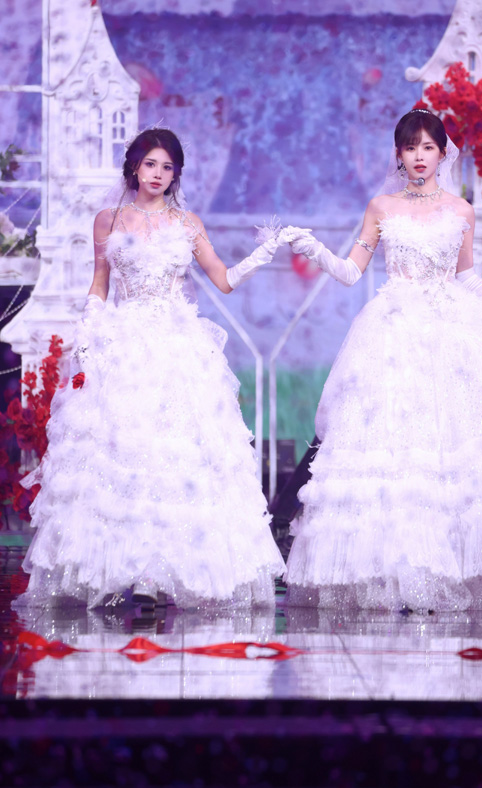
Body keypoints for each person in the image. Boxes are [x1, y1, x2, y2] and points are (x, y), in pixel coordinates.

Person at [283, 108, 482, 612]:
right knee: (392, 451)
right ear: (399, 154)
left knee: (449, 453)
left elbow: (466, 278)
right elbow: (350, 271)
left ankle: (450, 569)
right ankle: (389, 571)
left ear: (441, 153)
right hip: (392, 335)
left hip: (448, 336)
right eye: (410, 147)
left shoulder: (460, 211)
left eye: (427, 147)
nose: (419, 156)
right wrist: (314, 249)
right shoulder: (382, 207)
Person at [17, 128, 285, 610]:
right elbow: (100, 283)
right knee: (122, 452)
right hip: (124, 344)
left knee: (176, 453)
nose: (158, 174)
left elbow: (223, 280)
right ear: (134, 167)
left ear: (175, 174)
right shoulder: (109, 219)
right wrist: (88, 334)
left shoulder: (187, 223)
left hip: (178, 348)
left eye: (167, 167)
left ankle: (162, 573)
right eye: (151, 164)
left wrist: (264, 253)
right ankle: (121, 566)